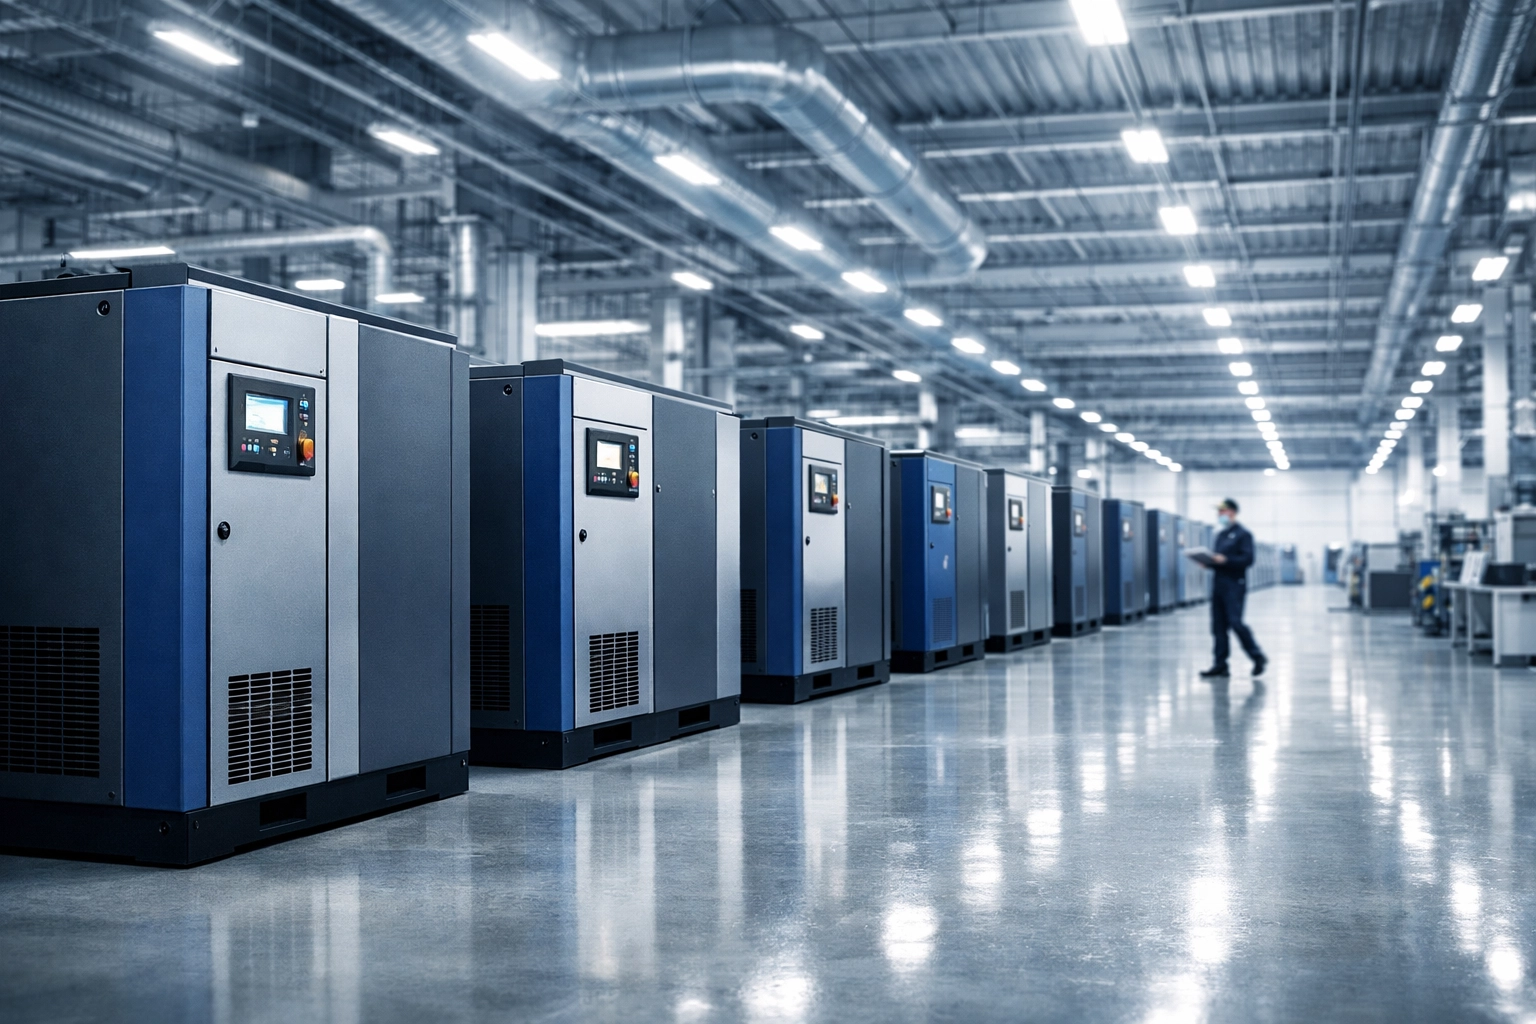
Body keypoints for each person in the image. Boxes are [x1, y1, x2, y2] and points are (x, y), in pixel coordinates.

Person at [1199, 498, 1267, 679]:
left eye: (1223, 511)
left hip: (1235, 585)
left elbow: (1248, 560)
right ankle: (1220, 665)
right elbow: (1218, 560)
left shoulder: (1243, 534)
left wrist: (1226, 560)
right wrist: (1209, 563)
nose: (1219, 515)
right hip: (1218, 584)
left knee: (1235, 623)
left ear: (1233, 512)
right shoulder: (1220, 535)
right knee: (1218, 627)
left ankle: (1257, 656)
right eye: (1218, 512)